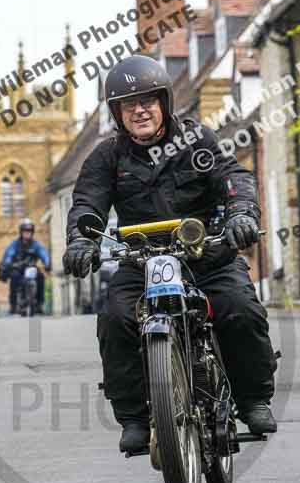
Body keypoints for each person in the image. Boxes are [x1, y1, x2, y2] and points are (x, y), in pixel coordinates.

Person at [62, 55, 278, 453]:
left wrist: (241, 214)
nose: (140, 110)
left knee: (240, 309)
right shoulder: (106, 158)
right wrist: (81, 239)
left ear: (164, 103)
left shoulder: (197, 141)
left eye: (147, 101)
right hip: (142, 264)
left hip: (206, 256)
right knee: (115, 318)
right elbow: (87, 205)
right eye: (129, 104)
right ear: (117, 113)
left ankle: (252, 398)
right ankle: (133, 416)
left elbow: (233, 178)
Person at [0, 219, 51, 314]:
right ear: (21, 232)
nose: (27, 233)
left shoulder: (36, 245)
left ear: (32, 232)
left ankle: (39, 304)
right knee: (14, 277)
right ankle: (13, 305)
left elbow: (43, 253)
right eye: (25, 231)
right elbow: (9, 254)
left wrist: (47, 263)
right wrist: (7, 263)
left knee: (41, 277)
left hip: (32, 268)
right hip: (18, 269)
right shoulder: (15, 245)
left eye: (29, 231)